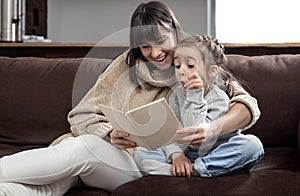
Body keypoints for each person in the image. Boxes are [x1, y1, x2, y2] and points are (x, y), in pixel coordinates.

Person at [0, 1, 263, 195]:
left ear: (175, 31)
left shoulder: (195, 62)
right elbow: (82, 114)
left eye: (161, 41)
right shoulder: (127, 66)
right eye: (145, 46)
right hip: (125, 155)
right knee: (47, 186)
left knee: (80, 151)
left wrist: (213, 128)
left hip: (147, 164)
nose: (156, 52)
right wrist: (109, 133)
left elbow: (246, 105)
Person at [134, 35, 264, 177]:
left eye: (190, 65)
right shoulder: (175, 95)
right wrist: (176, 155)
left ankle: (198, 169)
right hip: (186, 152)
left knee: (253, 145)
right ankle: (178, 168)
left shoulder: (219, 98)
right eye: (177, 66)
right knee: (142, 152)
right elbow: (171, 133)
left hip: (215, 152)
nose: (181, 71)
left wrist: (195, 96)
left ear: (212, 71)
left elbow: (196, 136)